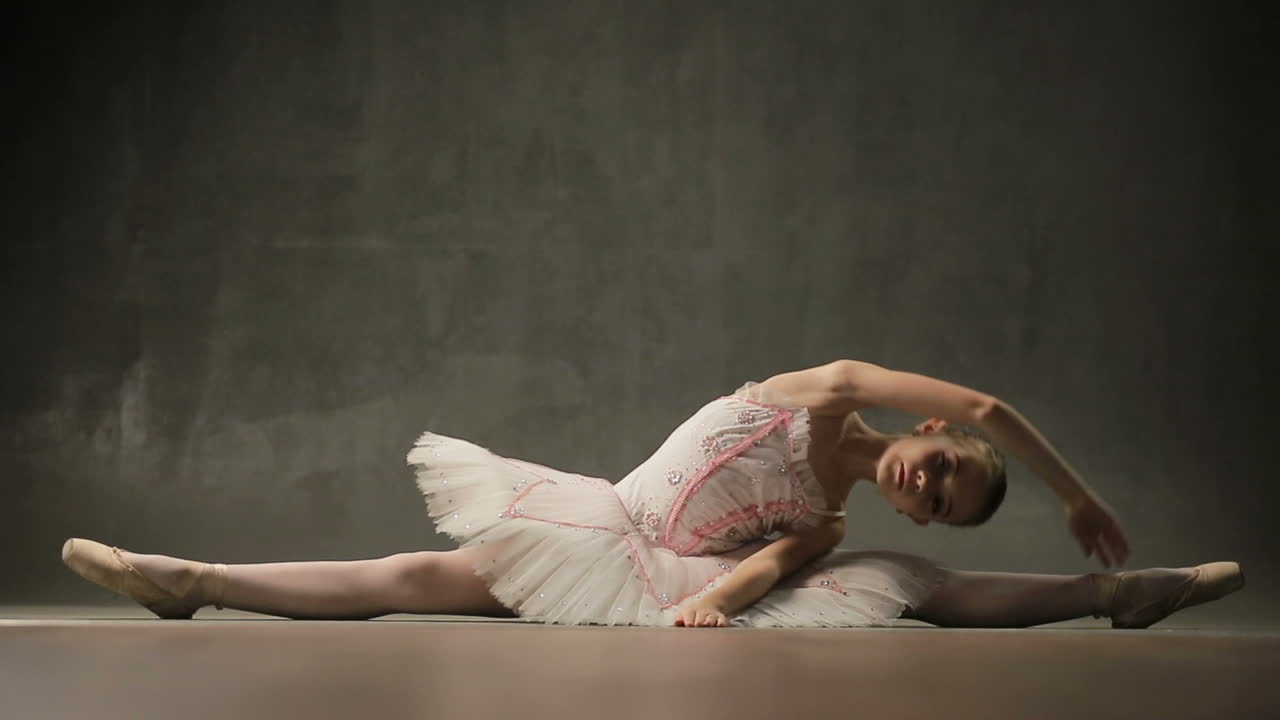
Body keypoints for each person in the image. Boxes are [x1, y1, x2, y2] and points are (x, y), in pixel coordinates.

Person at [62, 360, 1244, 628]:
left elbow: (770, 563)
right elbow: (988, 405)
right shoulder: (822, 397)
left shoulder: (831, 518)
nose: (926, 483)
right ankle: (193, 579)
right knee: (410, 576)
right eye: (941, 466)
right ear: (927, 433)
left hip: (672, 572)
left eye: (934, 497)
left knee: (919, 588)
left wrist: (713, 603)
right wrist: (1072, 494)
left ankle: (1119, 596)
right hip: (600, 524)